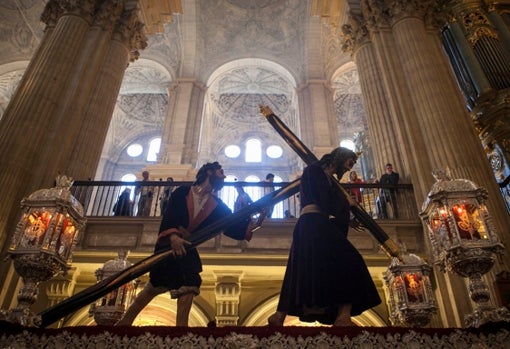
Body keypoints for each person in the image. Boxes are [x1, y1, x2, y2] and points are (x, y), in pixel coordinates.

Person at [116, 162, 254, 327]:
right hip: (169, 245)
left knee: (190, 281)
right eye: (221, 172)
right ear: (209, 172)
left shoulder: (216, 205)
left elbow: (231, 224)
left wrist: (255, 221)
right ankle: (125, 322)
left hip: (187, 247)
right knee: (154, 285)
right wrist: (173, 236)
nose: (224, 176)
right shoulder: (182, 192)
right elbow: (171, 215)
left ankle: (181, 329)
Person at [267, 147, 381, 327]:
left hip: (319, 223)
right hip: (312, 222)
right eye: (349, 163)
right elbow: (322, 199)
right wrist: (347, 204)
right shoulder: (313, 171)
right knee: (350, 260)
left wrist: (347, 218)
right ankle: (342, 316)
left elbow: (330, 206)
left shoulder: (330, 180)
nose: (349, 168)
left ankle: (281, 316)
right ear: (341, 157)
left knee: (304, 266)